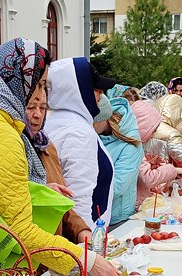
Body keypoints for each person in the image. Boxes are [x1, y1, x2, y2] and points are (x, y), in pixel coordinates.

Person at [0, 39, 119, 276]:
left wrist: (37, 193)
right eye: (37, 84)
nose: (40, 95)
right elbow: (20, 231)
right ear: (19, 82)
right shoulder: (0, 133)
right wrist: (87, 261)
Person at [48, 58, 117, 229]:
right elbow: (79, 198)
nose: (101, 95)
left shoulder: (53, 121)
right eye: (96, 89)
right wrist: (87, 245)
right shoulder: (79, 132)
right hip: (84, 236)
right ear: (78, 91)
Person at [23, 87, 91, 245]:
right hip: (26, 254)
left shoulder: (47, 147)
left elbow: (61, 203)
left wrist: (82, 231)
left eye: (43, 108)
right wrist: (43, 191)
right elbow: (9, 199)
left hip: (53, 252)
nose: (38, 115)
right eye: (31, 107)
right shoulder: (11, 147)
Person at [131, 100, 182, 207]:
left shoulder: (135, 144)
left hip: (141, 198)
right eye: (153, 130)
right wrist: (173, 170)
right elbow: (148, 178)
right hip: (136, 202)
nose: (154, 134)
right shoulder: (134, 147)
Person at [98, 96, 143, 226]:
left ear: (101, 119)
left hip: (116, 217)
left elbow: (118, 186)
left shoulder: (130, 144)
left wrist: (86, 185)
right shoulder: (98, 135)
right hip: (97, 214)